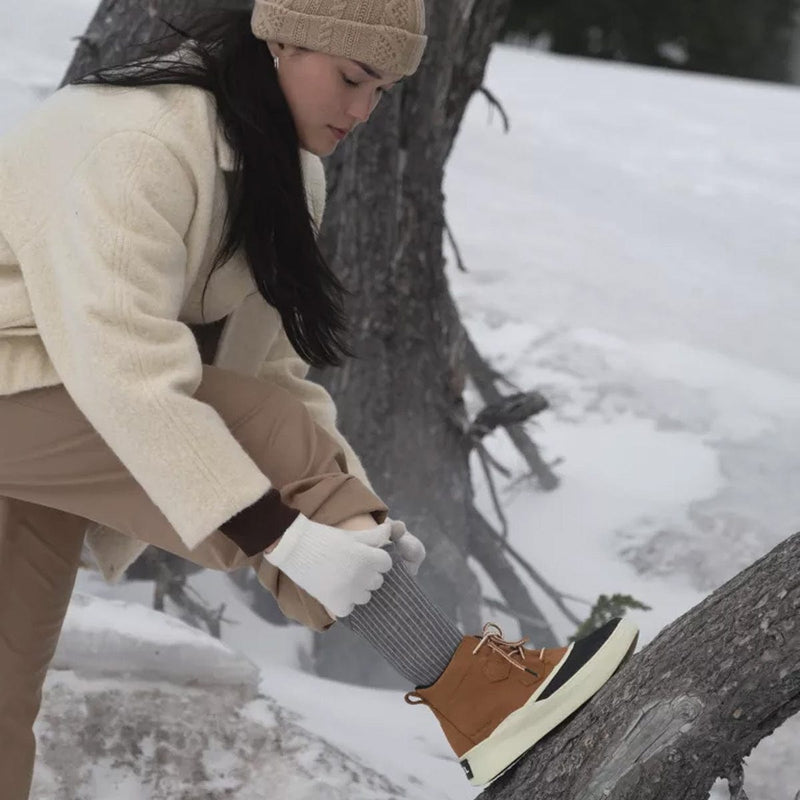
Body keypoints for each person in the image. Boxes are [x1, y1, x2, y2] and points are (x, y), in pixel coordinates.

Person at [0, 0, 639, 795]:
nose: (363, 110)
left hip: (41, 406)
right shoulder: (140, 143)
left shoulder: (286, 169)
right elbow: (123, 367)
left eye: (383, 91)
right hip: (41, 384)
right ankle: (480, 694)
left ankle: (478, 691)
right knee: (255, 429)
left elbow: (269, 370)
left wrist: (353, 511)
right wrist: (291, 535)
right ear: (283, 40)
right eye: (351, 78)